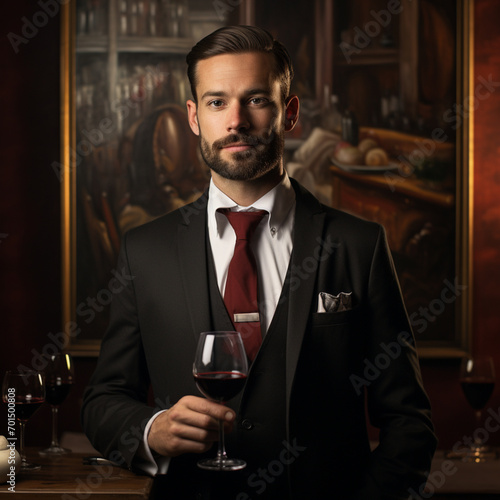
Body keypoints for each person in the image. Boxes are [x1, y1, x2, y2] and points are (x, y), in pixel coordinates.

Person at [82, 25, 437, 499]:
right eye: (216, 102)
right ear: (194, 117)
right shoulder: (145, 250)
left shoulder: (359, 245)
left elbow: (409, 423)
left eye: (255, 100)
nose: (236, 121)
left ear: (289, 113)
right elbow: (103, 400)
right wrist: (151, 430)